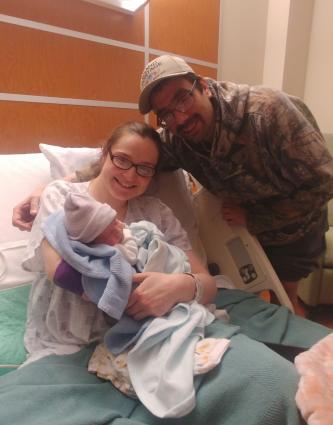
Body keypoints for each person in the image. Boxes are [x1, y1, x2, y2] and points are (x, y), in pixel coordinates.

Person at [5, 123, 332, 424]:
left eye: (144, 169)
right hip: (80, 339)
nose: (131, 175)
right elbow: (58, 272)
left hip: (161, 323)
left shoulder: (155, 213)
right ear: (105, 155)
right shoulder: (63, 198)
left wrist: (177, 287)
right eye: (122, 160)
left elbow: (205, 283)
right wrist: (126, 295)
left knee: (273, 382)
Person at [13, 55, 333, 312]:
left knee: (286, 300)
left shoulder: (266, 111)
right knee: (268, 302)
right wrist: (52, 184)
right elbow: (120, 161)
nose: (178, 117)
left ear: (203, 86)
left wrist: (256, 218)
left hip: (296, 224)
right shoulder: (177, 142)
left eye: (183, 99)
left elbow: (324, 181)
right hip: (244, 223)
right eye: (165, 113)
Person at [46, 191, 138, 300]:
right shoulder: (111, 251)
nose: (120, 228)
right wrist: (127, 235)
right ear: (95, 242)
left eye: (116, 221)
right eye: (112, 233)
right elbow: (132, 257)